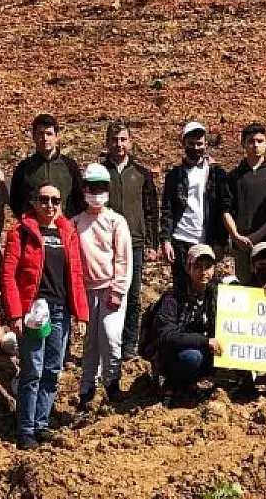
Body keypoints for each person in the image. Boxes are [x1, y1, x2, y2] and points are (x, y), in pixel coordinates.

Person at [2, 183, 89, 450]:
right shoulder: (21, 232)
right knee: (33, 369)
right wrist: (15, 312)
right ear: (35, 202)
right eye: (44, 200)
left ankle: (41, 423)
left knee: (53, 369)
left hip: (60, 309)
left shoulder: (67, 232)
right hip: (34, 310)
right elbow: (8, 275)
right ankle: (25, 428)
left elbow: (75, 274)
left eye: (55, 200)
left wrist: (81, 313)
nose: (49, 205)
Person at [73, 164, 133, 406]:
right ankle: (86, 389)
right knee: (89, 343)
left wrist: (118, 290)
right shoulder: (75, 222)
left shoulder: (116, 222)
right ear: (84, 189)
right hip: (86, 290)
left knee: (110, 337)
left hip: (110, 289)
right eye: (91, 187)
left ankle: (112, 382)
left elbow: (123, 258)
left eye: (101, 187)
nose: (96, 192)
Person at [102, 120, 159, 360]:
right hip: (104, 242)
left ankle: (128, 346)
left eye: (123, 139)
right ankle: (108, 343)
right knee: (107, 295)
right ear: (107, 143)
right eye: (114, 140)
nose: (119, 144)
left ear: (130, 142)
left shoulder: (141, 174)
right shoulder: (99, 173)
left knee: (133, 295)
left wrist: (152, 243)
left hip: (134, 242)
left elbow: (150, 210)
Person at [159, 121, 229, 291]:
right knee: (181, 288)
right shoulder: (174, 175)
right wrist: (166, 240)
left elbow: (223, 207)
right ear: (183, 144)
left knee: (206, 288)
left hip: (206, 239)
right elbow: (167, 208)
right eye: (191, 144)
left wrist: (221, 242)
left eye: (199, 144)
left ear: (206, 144)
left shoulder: (216, 173)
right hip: (181, 238)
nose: (196, 148)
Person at [150, 244, 221, 403]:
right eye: (198, 266)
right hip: (175, 354)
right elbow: (167, 335)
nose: (204, 271)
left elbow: (244, 297)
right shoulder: (173, 297)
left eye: (208, 266)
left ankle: (195, 383)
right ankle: (175, 384)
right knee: (191, 357)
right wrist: (204, 341)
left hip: (207, 350)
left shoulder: (217, 293)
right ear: (188, 269)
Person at [223, 123, 266, 281]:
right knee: (245, 290)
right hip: (242, 246)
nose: (255, 145)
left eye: (259, 141)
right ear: (243, 144)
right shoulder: (233, 177)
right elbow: (226, 210)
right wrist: (236, 236)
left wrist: (257, 235)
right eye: (251, 141)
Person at [9, 113, 83, 218]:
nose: (45, 138)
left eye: (49, 134)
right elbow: (15, 201)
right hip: (32, 229)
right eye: (40, 134)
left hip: (64, 227)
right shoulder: (24, 167)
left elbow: (79, 199)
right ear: (34, 137)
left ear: (56, 136)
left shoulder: (70, 166)